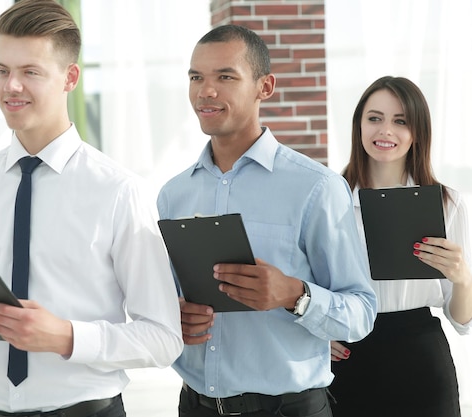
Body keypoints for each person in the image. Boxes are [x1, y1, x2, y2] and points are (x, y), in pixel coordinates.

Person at [0, 1, 183, 416]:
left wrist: (66, 336)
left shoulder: (119, 192)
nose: (11, 86)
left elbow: (163, 337)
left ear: (70, 77)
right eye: (2, 70)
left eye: (30, 72)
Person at [157, 24, 378, 417]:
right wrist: (172, 316)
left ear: (265, 86)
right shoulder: (174, 195)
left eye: (225, 77)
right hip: (194, 406)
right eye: (196, 77)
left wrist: (295, 295)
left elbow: (360, 313)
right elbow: (165, 298)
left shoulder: (316, 188)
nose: (205, 91)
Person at [328, 76, 472, 417]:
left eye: (400, 121)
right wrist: (315, 333)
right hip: (346, 357)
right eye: (374, 118)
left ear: (417, 131)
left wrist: (463, 279)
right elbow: (303, 286)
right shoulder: (327, 200)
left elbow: (462, 319)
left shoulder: (448, 204)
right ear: (358, 126)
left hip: (418, 359)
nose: (385, 131)